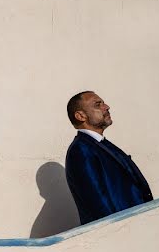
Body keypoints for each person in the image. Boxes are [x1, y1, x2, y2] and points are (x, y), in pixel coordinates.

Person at [64, 91, 153, 224]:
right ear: (81, 116)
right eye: (98, 104)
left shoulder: (100, 145)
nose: (107, 107)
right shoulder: (80, 150)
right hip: (124, 233)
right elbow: (98, 203)